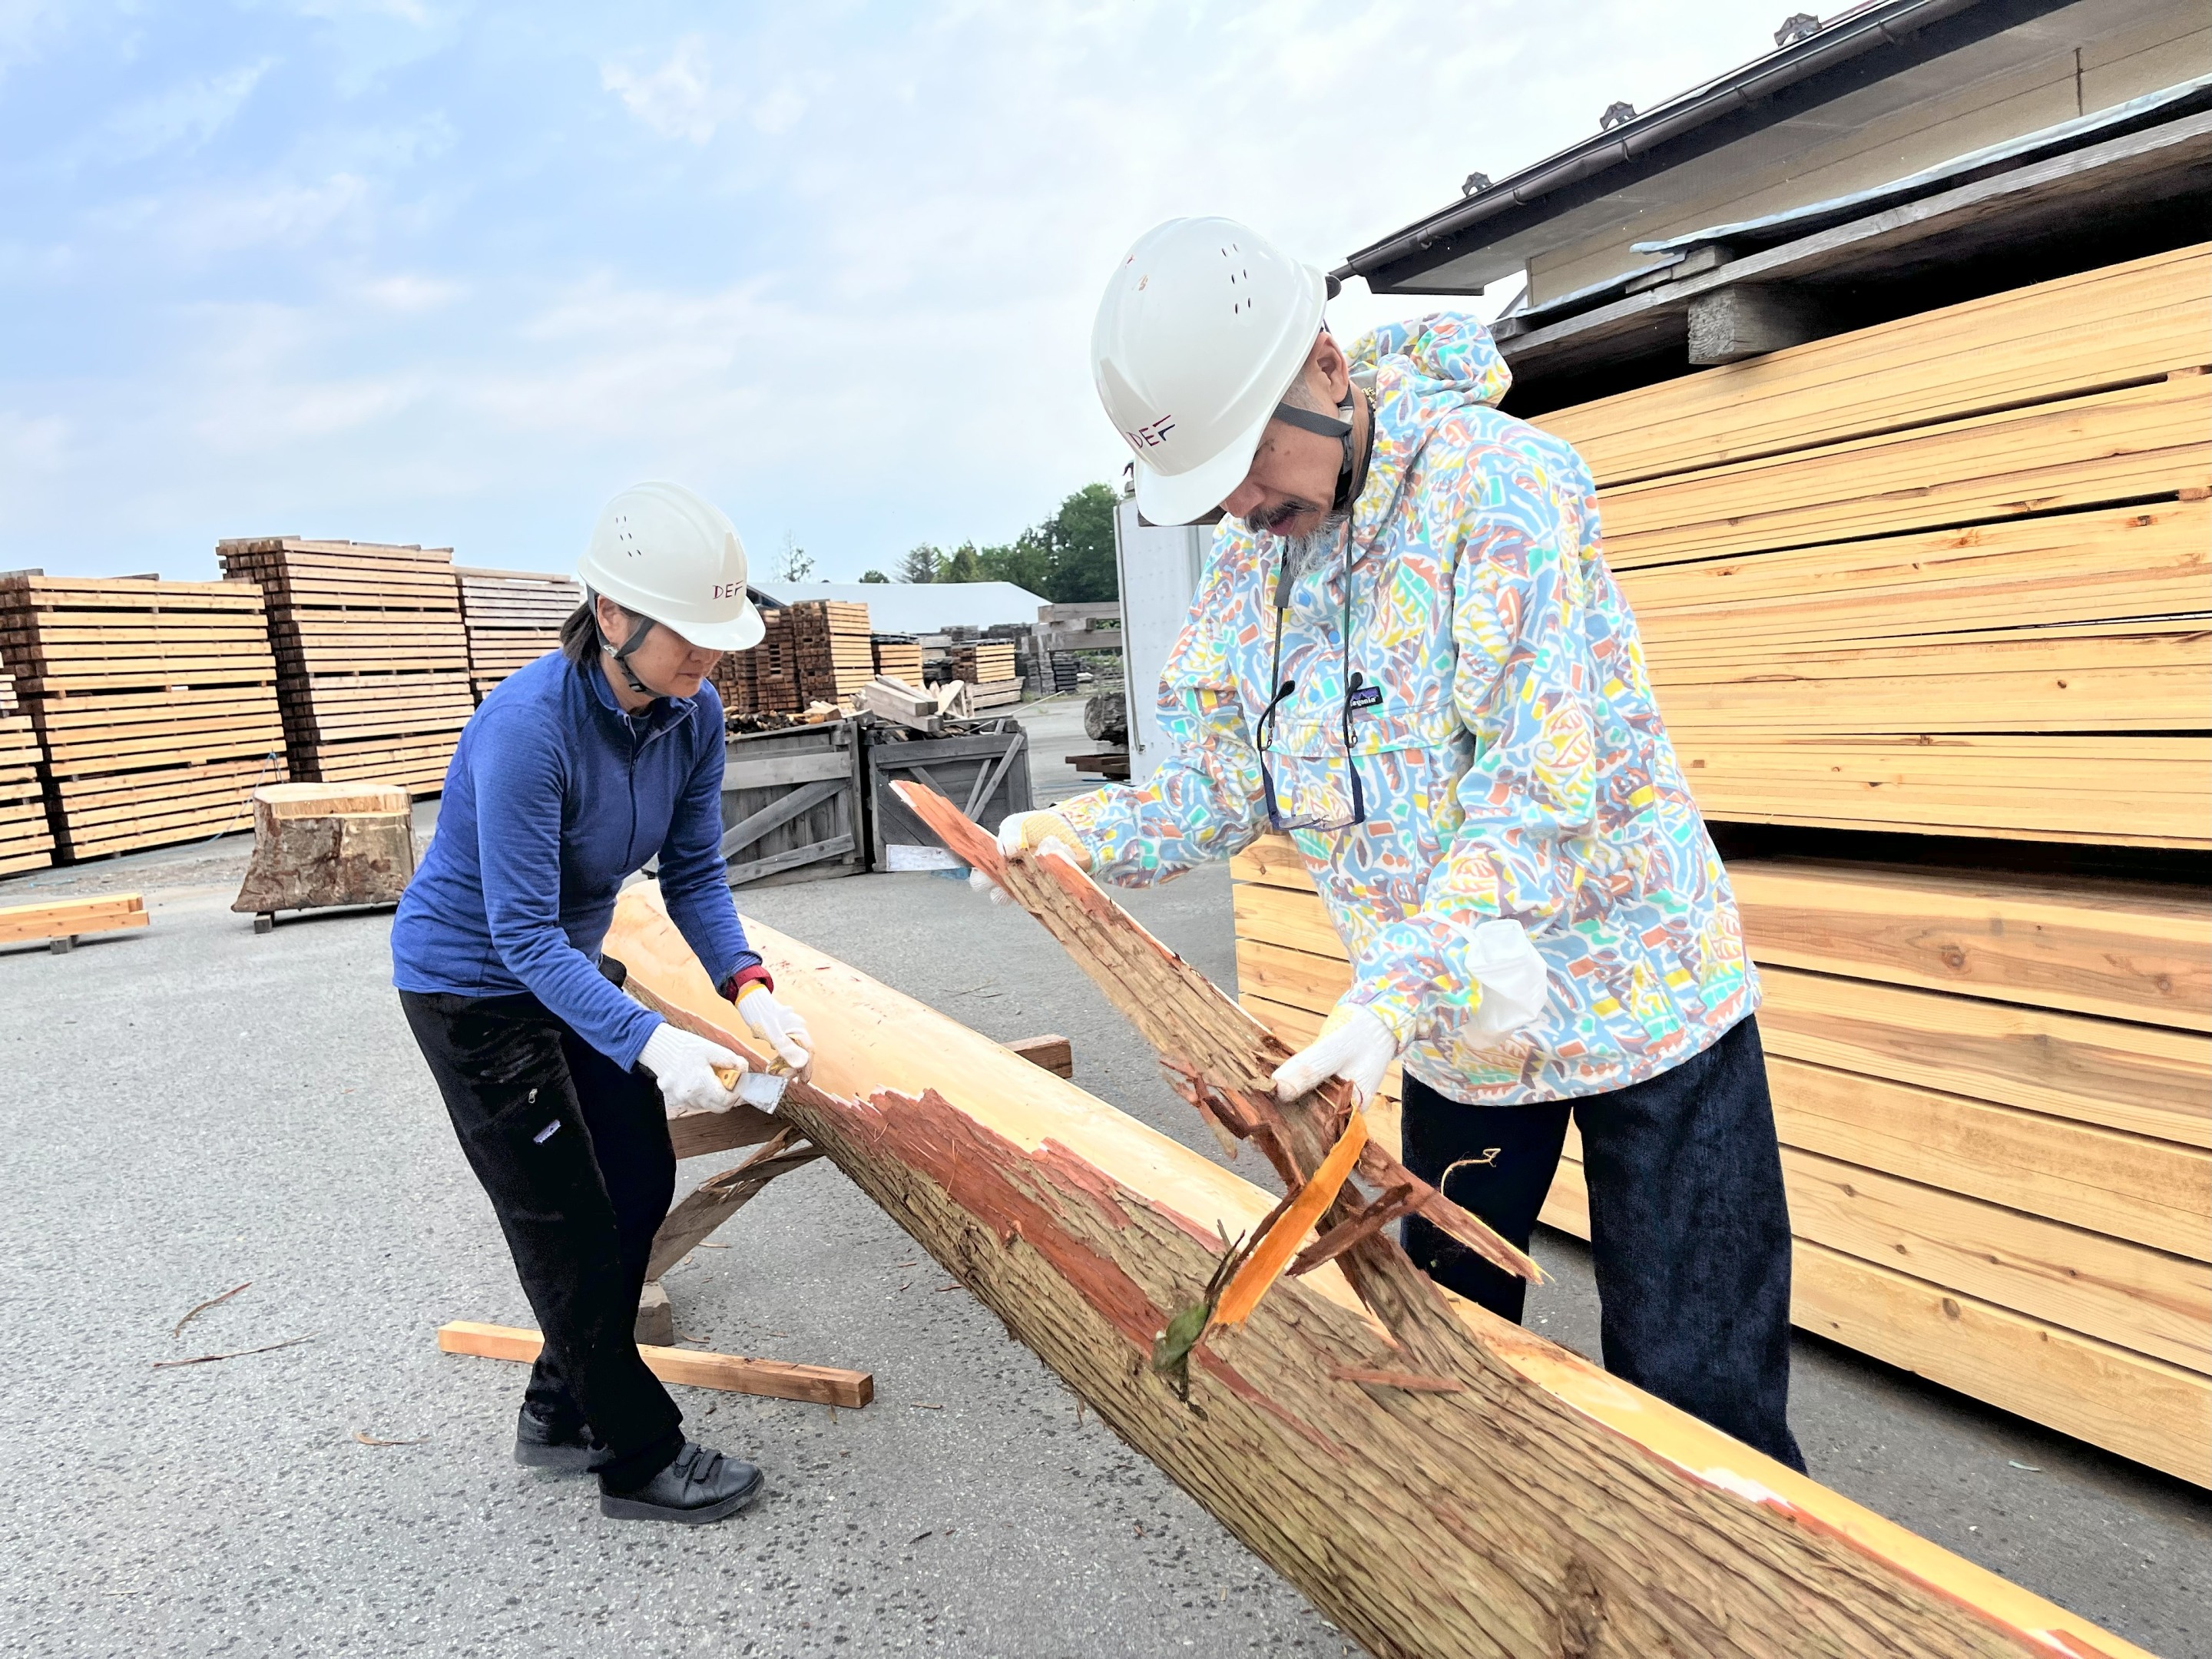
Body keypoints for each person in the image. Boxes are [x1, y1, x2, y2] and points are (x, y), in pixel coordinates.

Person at [987, 217, 1803, 1470]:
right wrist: (1076, 838)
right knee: (1443, 1351)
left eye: (1248, 462)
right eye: (1213, 489)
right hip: (1454, 1023)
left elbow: (1536, 790)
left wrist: (1395, 992)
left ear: (1324, 366)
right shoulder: (1255, 571)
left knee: (1695, 1387)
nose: (1243, 505)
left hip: (1642, 992)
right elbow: (1217, 787)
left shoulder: (1505, 489)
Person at [392, 481, 817, 1522]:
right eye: (690, 637)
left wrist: (746, 984)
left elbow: (695, 875)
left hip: (565, 975)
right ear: (613, 614)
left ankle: (558, 1403)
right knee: (565, 1225)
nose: (710, 659)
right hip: (472, 991)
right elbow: (519, 936)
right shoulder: (526, 729)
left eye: (720, 638)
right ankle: (636, 1455)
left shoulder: (691, 714)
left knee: (636, 1173)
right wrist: (649, 1038)